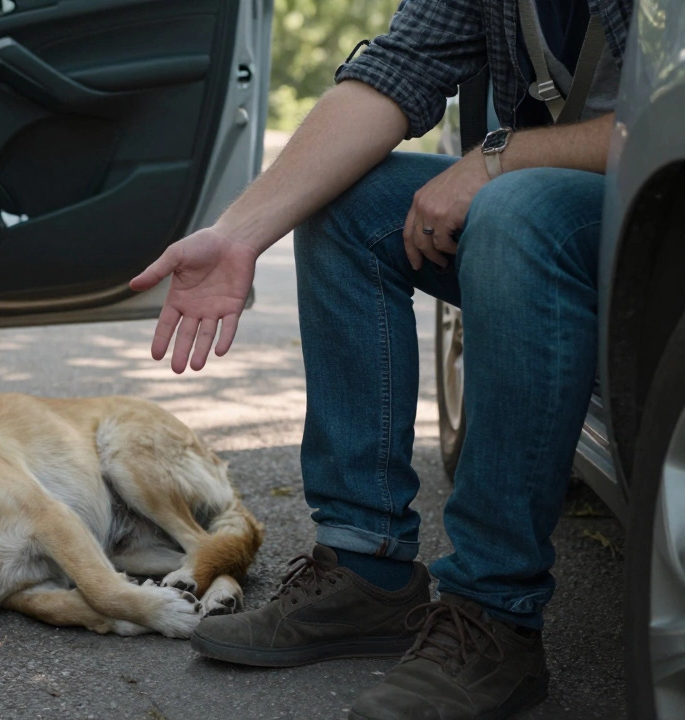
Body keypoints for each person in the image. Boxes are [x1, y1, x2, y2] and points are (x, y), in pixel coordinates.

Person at [128, 0, 632, 717]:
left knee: (515, 210)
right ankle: (366, 570)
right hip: (553, 194)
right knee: (347, 201)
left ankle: (494, 613)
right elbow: (393, 74)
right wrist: (238, 234)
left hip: (653, 205)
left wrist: (500, 159)